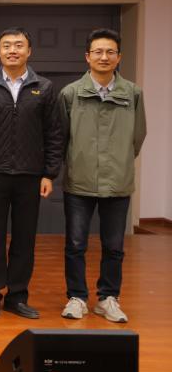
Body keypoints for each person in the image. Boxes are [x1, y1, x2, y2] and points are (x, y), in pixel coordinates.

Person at [0, 27, 64, 320]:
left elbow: (54, 133)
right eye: (7, 46)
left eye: (18, 45)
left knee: (24, 238)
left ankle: (17, 296)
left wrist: (49, 173)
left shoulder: (44, 88)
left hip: (30, 175)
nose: (12, 50)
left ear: (29, 51)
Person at [60, 28, 146, 323]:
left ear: (119, 57)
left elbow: (138, 136)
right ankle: (77, 297)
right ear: (87, 57)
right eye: (98, 52)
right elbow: (61, 138)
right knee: (75, 245)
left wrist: (119, 161)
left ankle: (108, 298)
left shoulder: (133, 93)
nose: (104, 57)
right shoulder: (70, 93)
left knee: (114, 246)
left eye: (110, 52)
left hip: (118, 182)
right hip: (79, 181)